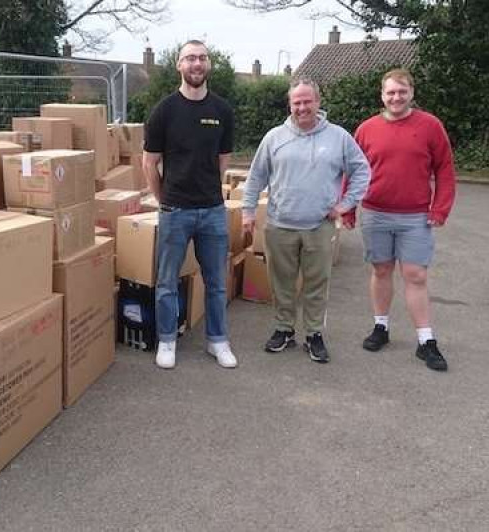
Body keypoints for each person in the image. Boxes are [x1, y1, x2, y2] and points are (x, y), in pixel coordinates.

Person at [242, 78, 370, 363]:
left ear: (318, 102)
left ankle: (314, 334)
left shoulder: (338, 137)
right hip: (280, 225)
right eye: (296, 102)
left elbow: (362, 171)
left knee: (316, 285)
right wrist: (248, 212)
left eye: (307, 101)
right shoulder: (274, 138)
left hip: (319, 227)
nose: (302, 107)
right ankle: (284, 329)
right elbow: (255, 177)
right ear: (290, 105)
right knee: (281, 283)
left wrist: (345, 205)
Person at [349, 68, 456, 372]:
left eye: (401, 92)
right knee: (381, 270)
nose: (396, 97)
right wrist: (346, 208)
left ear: (411, 93)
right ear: (382, 96)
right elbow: (352, 170)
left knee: (415, 275)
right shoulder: (367, 129)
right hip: (375, 213)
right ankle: (380, 328)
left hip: (415, 217)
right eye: (390, 93)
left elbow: (445, 170)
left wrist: (440, 208)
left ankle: (426, 341)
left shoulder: (430, 126)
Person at [142, 40, 236, 370]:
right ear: (179, 65)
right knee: (167, 281)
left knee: (216, 281)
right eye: (190, 58)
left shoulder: (222, 110)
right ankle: (167, 340)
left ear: (208, 65)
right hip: (175, 211)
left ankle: (217, 341)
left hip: (212, 210)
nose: (196, 63)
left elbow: (223, 161)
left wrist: (208, 188)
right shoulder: (164, 110)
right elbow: (149, 163)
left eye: (201, 58)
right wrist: (163, 199)